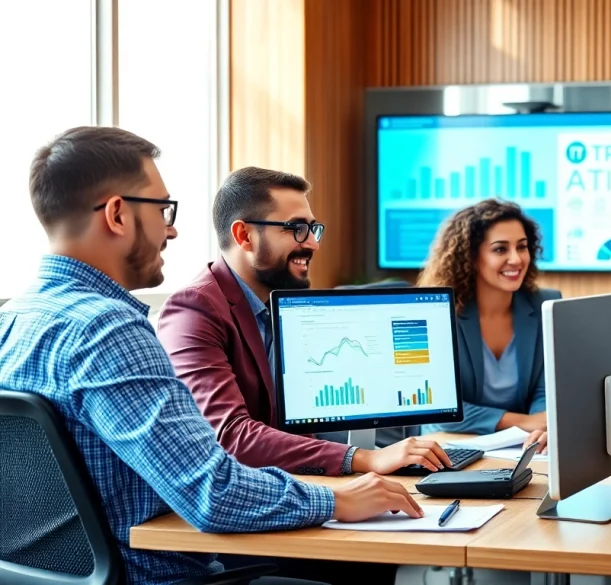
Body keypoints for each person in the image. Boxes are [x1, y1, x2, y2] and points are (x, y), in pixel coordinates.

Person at [0, 127, 422, 585]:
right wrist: (339, 500)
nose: (173, 228)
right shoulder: (107, 329)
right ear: (118, 215)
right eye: (163, 209)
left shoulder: (14, 318)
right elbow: (211, 490)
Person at [417, 199, 560, 452]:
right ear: (471, 257)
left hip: (521, 448)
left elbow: (546, 387)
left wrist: (542, 425)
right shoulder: (438, 313)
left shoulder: (545, 305)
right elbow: (439, 409)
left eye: (522, 247)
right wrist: (524, 422)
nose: (516, 259)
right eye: (500, 249)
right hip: (447, 446)